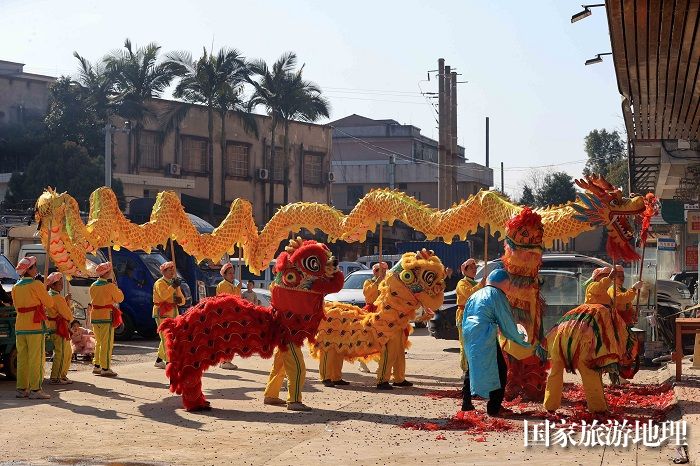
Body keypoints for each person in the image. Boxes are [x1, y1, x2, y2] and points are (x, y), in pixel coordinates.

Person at [461, 268, 531, 415]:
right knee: (500, 369)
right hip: (484, 333)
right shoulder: (497, 295)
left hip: (469, 332)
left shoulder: (476, 294)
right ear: (505, 283)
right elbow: (507, 323)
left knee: (471, 366)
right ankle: (494, 407)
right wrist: (523, 340)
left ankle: (466, 403)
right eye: (509, 285)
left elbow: (466, 314)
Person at [12, 256, 54, 399]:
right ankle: (36, 390)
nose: (36, 269)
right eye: (34, 267)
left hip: (20, 326)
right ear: (28, 270)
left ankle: (22, 389)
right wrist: (44, 290)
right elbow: (49, 303)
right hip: (35, 326)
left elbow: (16, 306)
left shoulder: (15, 286)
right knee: (36, 358)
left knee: (22, 358)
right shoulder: (36, 285)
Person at [89, 262, 124, 377]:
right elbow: (119, 298)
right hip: (105, 316)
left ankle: (97, 365)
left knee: (98, 342)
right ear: (107, 273)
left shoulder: (93, 285)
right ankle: (105, 367)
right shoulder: (110, 286)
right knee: (107, 343)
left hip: (95, 316)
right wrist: (117, 289)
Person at [152, 261, 185, 369]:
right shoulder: (159, 283)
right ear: (164, 271)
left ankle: (159, 359)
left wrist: (180, 300)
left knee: (169, 338)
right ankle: (169, 362)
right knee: (166, 338)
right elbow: (163, 296)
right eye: (170, 270)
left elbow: (182, 300)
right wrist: (173, 286)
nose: (172, 272)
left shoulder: (174, 283)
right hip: (162, 313)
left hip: (174, 313)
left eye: (173, 270)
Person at [455, 259, 483, 374]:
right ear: (465, 271)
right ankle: (465, 369)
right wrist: (481, 285)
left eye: (475, 268)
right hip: (464, 315)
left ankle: (473, 367)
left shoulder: (476, 283)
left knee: (474, 343)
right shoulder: (462, 283)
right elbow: (470, 294)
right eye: (471, 268)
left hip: (475, 315)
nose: (474, 270)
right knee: (465, 342)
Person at [45, 272, 73, 385]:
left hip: (51, 327)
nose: (62, 285)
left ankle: (59, 375)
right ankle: (57, 377)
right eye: (59, 284)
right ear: (53, 286)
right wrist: (66, 303)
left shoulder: (48, 295)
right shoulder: (57, 297)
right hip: (59, 327)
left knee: (62, 352)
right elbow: (68, 315)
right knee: (61, 353)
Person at [216, 262, 241, 370]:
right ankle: (225, 360)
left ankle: (225, 360)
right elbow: (230, 299)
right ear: (224, 275)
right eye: (230, 273)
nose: (232, 275)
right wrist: (237, 289)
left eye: (233, 273)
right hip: (226, 314)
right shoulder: (224, 285)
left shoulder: (229, 285)